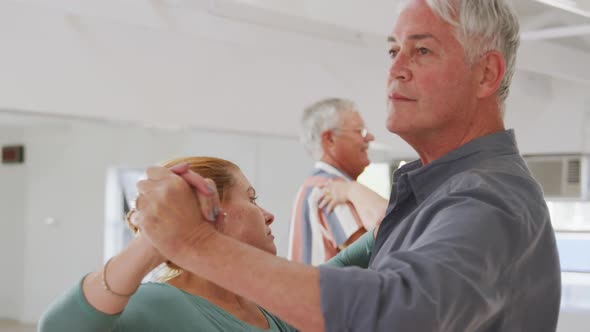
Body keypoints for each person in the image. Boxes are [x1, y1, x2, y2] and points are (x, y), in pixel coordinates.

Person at [131, 0, 562, 331]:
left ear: (486, 74)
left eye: (422, 50)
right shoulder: (437, 194)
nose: (395, 69)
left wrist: (195, 242)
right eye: (393, 50)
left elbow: (390, 311)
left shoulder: (487, 197)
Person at [288, 98, 386, 265]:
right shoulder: (331, 190)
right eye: (360, 131)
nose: (370, 137)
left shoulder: (314, 184)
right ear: (330, 139)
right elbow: (380, 257)